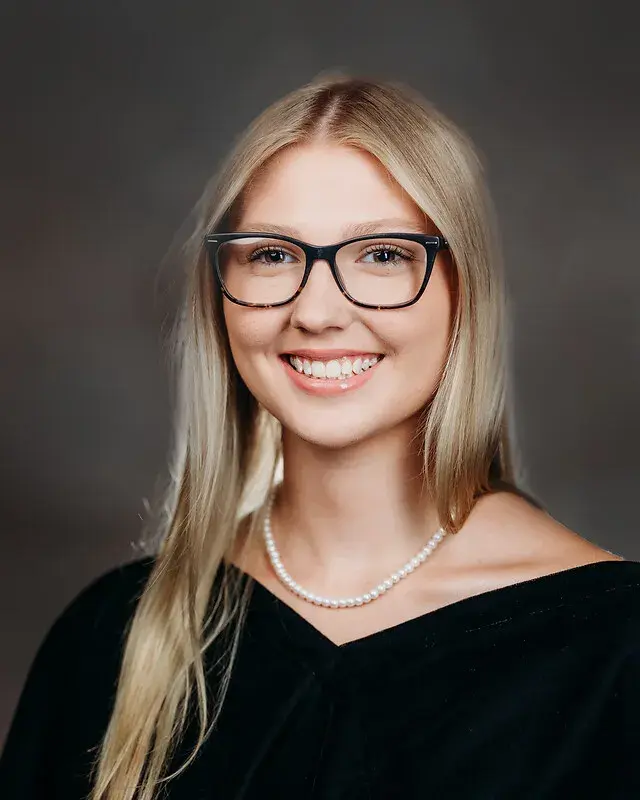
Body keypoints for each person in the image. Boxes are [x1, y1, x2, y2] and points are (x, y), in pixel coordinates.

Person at [0, 72, 638, 800]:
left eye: (383, 254)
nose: (317, 312)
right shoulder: (107, 640)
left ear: (465, 289)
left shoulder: (614, 650)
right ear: (220, 293)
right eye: (272, 255)